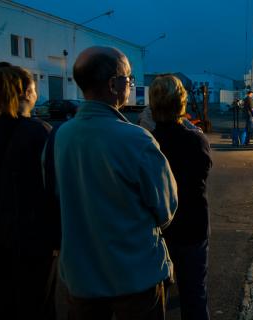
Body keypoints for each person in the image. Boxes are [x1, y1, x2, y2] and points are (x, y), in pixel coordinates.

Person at [52, 46, 177, 320]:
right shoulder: (137, 140)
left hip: (80, 279)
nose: (130, 85)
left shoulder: (60, 136)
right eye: (128, 79)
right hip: (135, 278)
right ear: (113, 84)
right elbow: (166, 208)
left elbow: (53, 197)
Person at [0, 66, 58, 319]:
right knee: (37, 304)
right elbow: (53, 186)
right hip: (35, 235)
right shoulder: (42, 131)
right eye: (35, 89)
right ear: (27, 92)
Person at [150, 75, 212, 320]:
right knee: (194, 294)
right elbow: (202, 173)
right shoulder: (195, 140)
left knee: (156, 296)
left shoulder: (148, 141)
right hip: (192, 227)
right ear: (182, 103)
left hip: (157, 230)